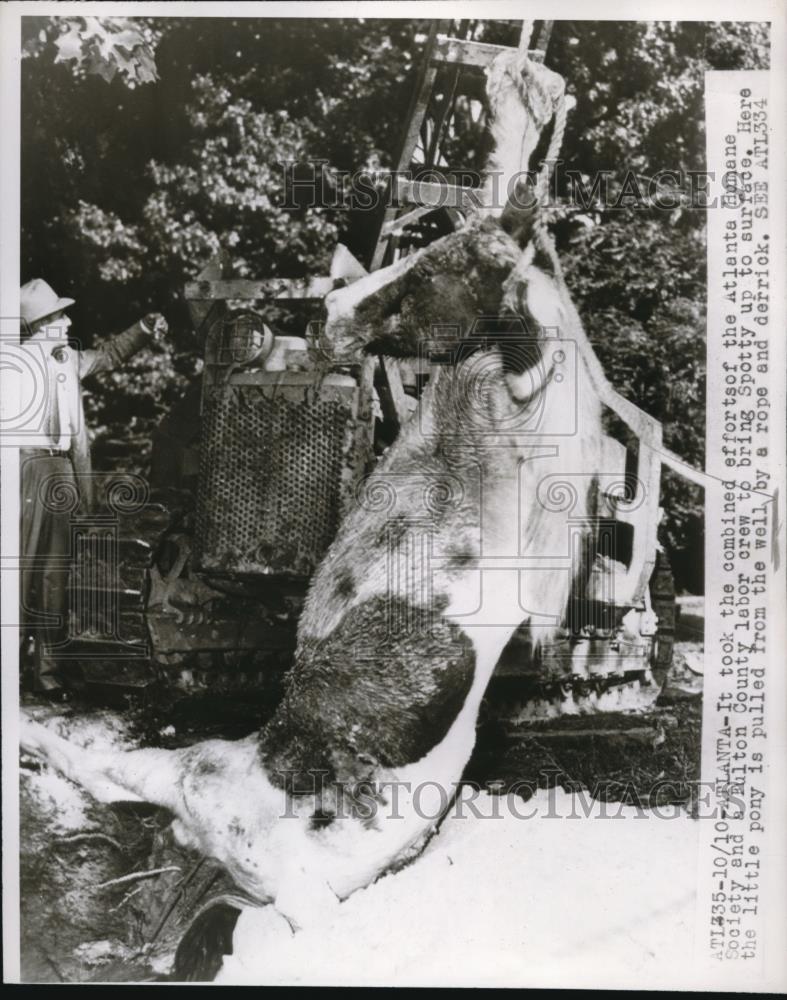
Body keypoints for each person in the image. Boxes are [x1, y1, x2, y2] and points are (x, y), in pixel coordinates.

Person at [19, 277, 168, 694]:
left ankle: (46, 675)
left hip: (61, 472)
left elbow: (109, 356)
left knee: (54, 576)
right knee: (18, 572)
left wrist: (142, 328)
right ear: (41, 323)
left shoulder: (67, 360)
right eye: (59, 316)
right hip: (22, 472)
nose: (68, 322)